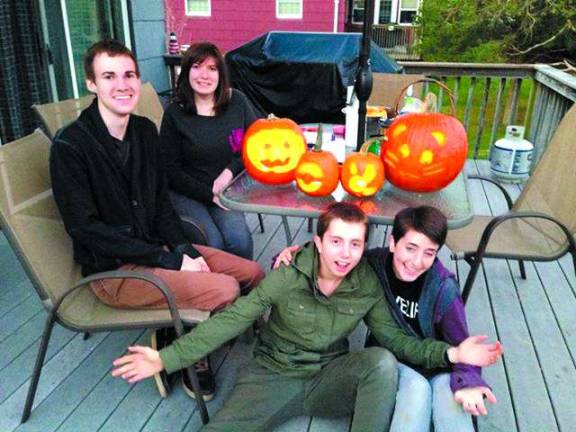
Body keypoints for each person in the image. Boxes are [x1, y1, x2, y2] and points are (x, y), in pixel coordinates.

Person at [112, 202, 502, 432]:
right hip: (272, 374)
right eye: (335, 241)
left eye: (354, 244)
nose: (345, 254)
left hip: (329, 376)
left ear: (366, 247)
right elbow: (233, 318)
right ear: (317, 242)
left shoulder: (366, 282)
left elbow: (397, 341)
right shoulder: (288, 275)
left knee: (381, 362)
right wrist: (166, 359)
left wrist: (453, 356)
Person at [49, 39, 265, 401]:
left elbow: (161, 204)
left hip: (159, 248)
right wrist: (172, 259)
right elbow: (86, 230)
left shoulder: (144, 132)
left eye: (129, 74)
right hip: (116, 271)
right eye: (109, 76)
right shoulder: (71, 146)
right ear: (91, 83)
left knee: (252, 272)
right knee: (225, 289)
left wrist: (182, 248)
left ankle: (177, 324)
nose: (122, 84)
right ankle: (187, 348)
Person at [274, 206, 499, 432]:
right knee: (417, 388)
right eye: (410, 248)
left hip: (438, 363)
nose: (417, 261)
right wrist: (296, 254)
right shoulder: (372, 265)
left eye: (429, 253)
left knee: (450, 397)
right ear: (393, 243)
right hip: (394, 360)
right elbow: (334, 257)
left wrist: (468, 382)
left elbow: (464, 346)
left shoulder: (442, 289)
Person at [160, 41, 260, 260]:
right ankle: (218, 291)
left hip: (227, 189)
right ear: (186, 72)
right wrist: (208, 194)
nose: (204, 75)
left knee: (239, 241)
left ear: (221, 74)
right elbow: (170, 172)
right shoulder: (174, 114)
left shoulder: (237, 102)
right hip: (188, 192)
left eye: (212, 68)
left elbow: (253, 147)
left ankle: (244, 290)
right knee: (212, 243)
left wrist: (229, 172)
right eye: (197, 67)